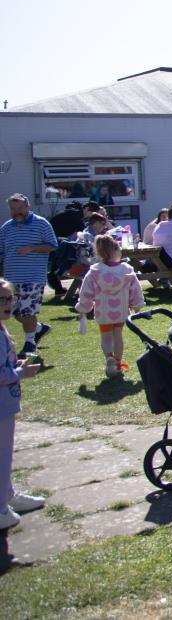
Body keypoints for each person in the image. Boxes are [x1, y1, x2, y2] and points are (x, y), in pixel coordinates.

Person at [0, 278, 46, 530]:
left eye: (10, 298)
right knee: (2, 454)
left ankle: (8, 496)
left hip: (6, 402)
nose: (9, 304)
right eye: (3, 299)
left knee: (6, 453)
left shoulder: (2, 330)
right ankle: (1, 508)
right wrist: (21, 374)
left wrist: (16, 366)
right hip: (2, 404)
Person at [73, 233, 145, 379]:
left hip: (103, 311)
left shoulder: (94, 271)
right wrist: (136, 306)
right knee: (118, 336)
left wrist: (83, 309)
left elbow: (86, 292)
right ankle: (117, 363)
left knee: (106, 337)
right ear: (116, 251)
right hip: (121, 310)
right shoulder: (126, 270)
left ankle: (109, 357)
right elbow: (135, 290)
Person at [0, 194, 58, 359]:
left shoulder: (41, 223)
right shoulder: (6, 227)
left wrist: (32, 248)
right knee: (15, 313)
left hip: (32, 276)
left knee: (27, 312)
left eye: (20, 208)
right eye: (13, 209)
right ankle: (39, 328)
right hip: (10, 279)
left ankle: (30, 343)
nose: (17, 212)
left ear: (28, 207)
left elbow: (53, 245)